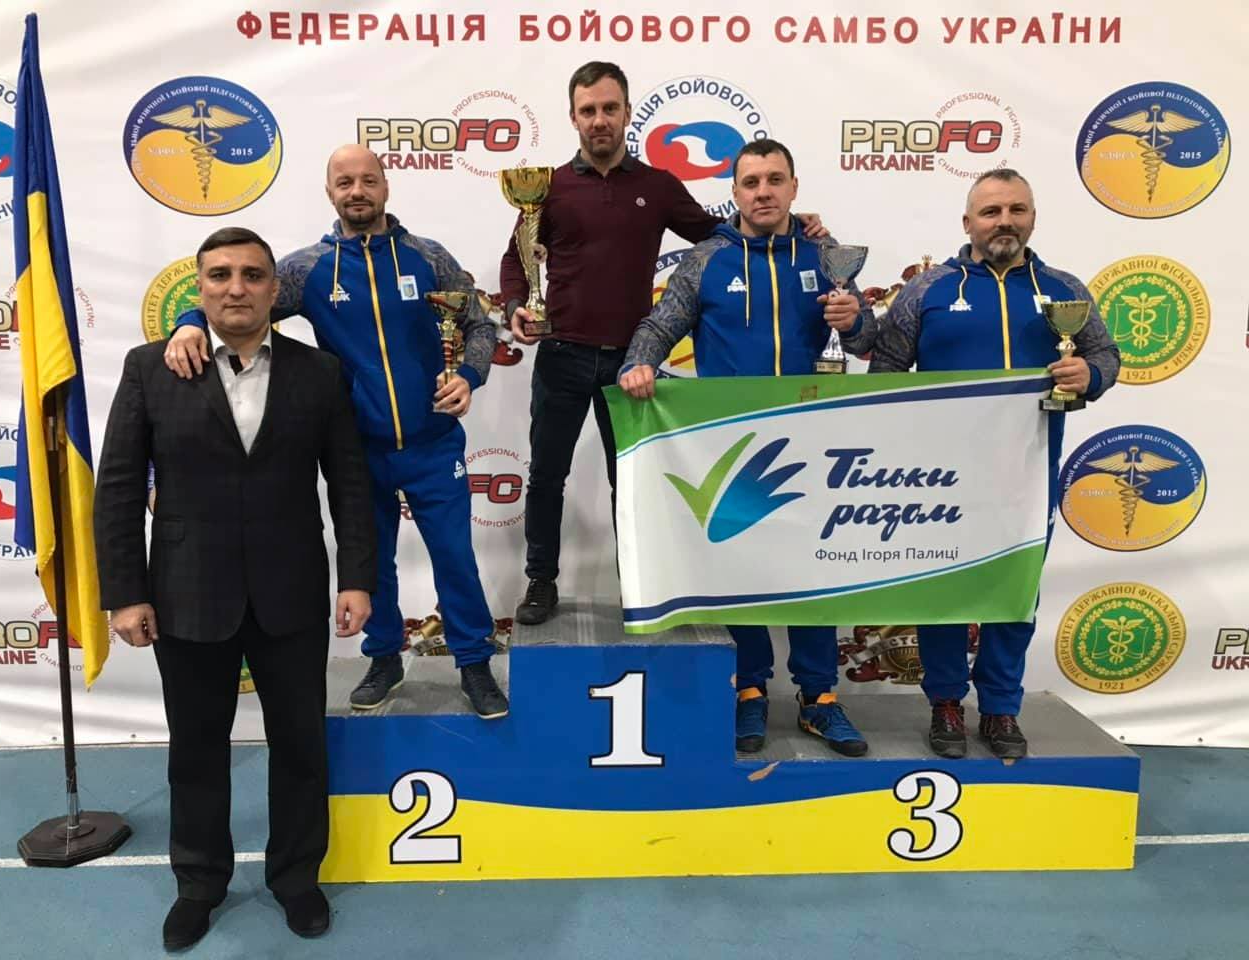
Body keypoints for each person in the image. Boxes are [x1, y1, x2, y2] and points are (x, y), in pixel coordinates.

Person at [94, 228, 376, 949]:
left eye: (252, 274)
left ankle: (297, 878)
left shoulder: (320, 372)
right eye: (219, 275)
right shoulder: (150, 368)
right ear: (199, 289)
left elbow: (349, 482)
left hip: (293, 592)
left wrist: (357, 578)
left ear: (274, 290)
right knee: (195, 750)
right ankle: (198, 882)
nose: (236, 287)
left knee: (301, 746)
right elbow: (118, 487)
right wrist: (124, 593)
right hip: (186, 592)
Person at [165, 145, 508, 718]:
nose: (357, 191)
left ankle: (473, 661)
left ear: (385, 187)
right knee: (370, 562)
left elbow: (479, 322)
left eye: (368, 180)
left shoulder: (428, 256)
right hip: (356, 449)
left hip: (433, 442)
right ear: (330, 193)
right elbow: (244, 302)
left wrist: (470, 376)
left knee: (454, 557)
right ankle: (384, 657)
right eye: (344, 182)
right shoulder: (307, 270)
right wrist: (188, 322)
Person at [502, 61, 825, 626]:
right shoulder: (548, 188)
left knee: (630, 483)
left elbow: (719, 235)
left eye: (609, 108)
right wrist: (514, 308)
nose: (599, 120)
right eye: (588, 110)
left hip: (632, 364)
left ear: (627, 112)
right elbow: (516, 261)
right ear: (573, 117)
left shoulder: (658, 187)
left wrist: (794, 225)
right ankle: (540, 582)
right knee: (546, 477)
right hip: (560, 355)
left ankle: (638, 584)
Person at [839, 168, 1121, 759]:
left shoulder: (1064, 290)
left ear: (1033, 217)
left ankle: (1000, 707)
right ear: (968, 222)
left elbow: (1105, 355)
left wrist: (1089, 374)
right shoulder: (929, 290)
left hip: (1028, 471)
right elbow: (887, 368)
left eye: (1017, 210)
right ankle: (945, 701)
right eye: (991, 212)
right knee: (944, 587)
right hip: (941, 475)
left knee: (1014, 592)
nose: (1004, 222)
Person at [618, 139, 873, 757]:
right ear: (734, 192)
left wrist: (854, 321)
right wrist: (637, 362)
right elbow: (661, 323)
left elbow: (868, 341)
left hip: (817, 442)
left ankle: (820, 697)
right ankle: (750, 689)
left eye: (774, 180)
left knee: (816, 569)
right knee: (742, 569)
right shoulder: (707, 259)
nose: (763, 192)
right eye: (751, 182)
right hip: (736, 447)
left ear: (793, 187)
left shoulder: (826, 254)